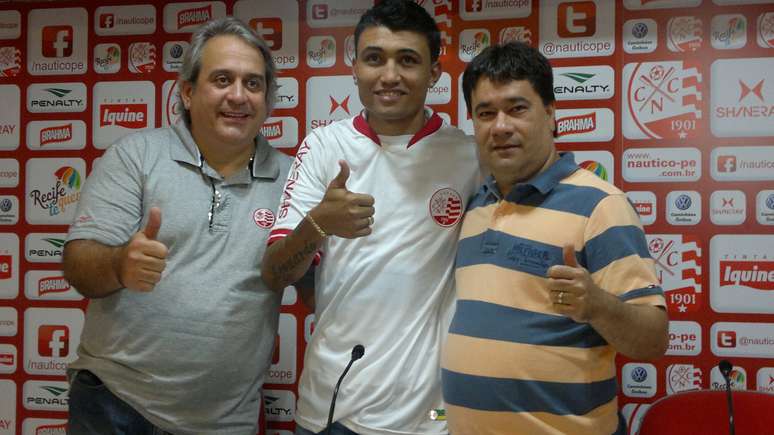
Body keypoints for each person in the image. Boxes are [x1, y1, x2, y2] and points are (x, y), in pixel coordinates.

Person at [62, 17, 291, 435]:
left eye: (253, 84)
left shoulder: (294, 178)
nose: (238, 96)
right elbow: (79, 264)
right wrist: (118, 265)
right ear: (188, 91)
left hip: (225, 422)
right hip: (115, 407)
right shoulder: (135, 157)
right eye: (222, 79)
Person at [260, 1, 480, 434]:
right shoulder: (323, 146)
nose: (390, 75)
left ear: (434, 73)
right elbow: (273, 273)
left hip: (432, 416)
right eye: (375, 58)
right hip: (335, 410)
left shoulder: (468, 155)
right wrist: (319, 224)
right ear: (355, 66)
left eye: (408, 60)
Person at [442, 42, 669, 435]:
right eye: (485, 113)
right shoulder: (475, 205)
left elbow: (652, 339)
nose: (500, 126)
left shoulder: (601, 205)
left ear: (550, 114)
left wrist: (597, 306)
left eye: (517, 108)